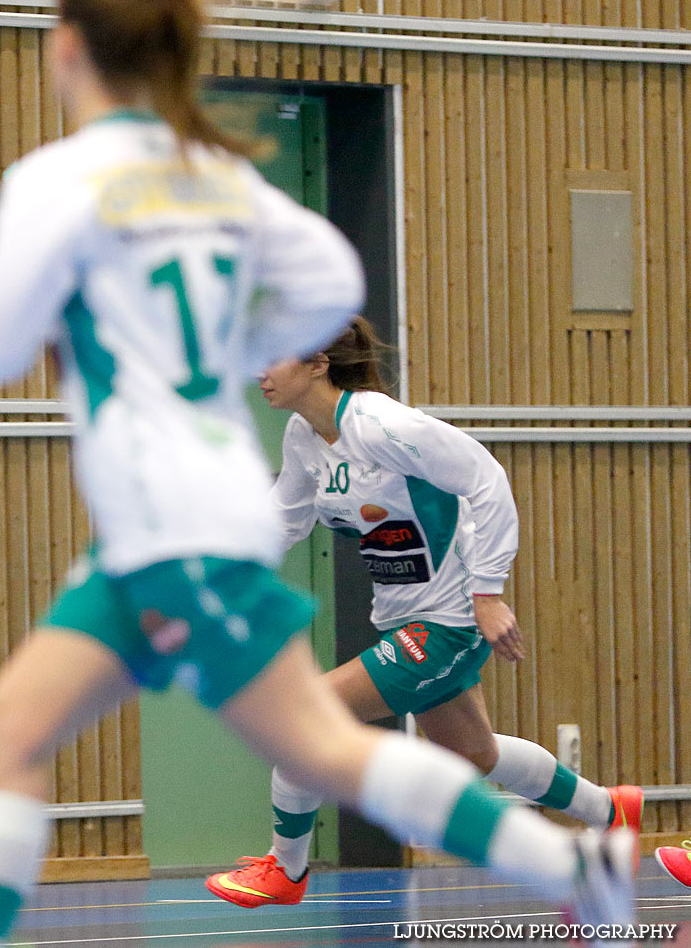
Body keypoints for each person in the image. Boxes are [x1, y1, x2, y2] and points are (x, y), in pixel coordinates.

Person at [0, 0, 636, 947]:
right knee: (14, 732)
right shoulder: (218, 175)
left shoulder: (58, 181)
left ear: (68, 48)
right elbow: (330, 279)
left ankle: (568, 864)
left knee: (316, 747)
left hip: (176, 524)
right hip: (169, 527)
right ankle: (573, 863)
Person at [206, 317, 642, 907]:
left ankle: (287, 871)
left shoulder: (383, 425)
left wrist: (487, 593)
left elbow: (486, 479)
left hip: (448, 620)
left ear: (317, 364)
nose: (259, 371)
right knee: (476, 755)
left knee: (304, 716)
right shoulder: (304, 439)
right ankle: (612, 810)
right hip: (404, 616)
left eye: (275, 356)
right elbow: (284, 517)